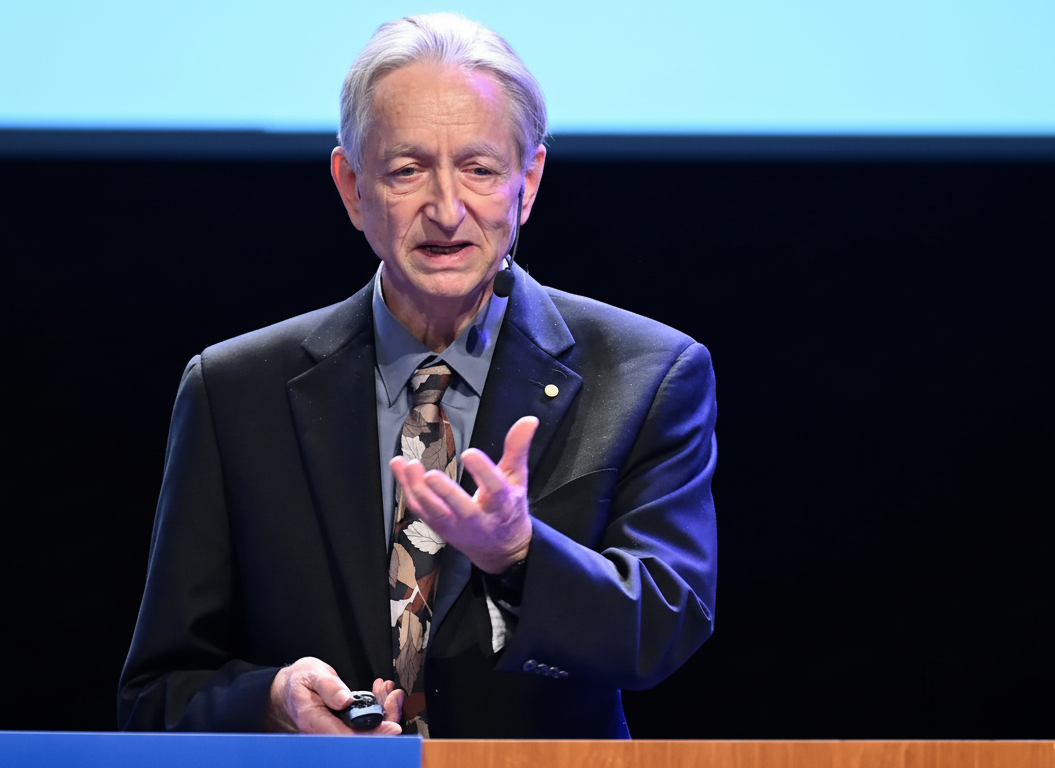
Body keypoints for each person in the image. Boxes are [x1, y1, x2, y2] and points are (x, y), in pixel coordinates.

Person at [118, 12, 718, 739]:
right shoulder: (234, 390)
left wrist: (519, 554)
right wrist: (273, 702)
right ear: (351, 185)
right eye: (407, 169)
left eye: (479, 168)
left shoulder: (646, 374)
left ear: (527, 183)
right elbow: (157, 694)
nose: (445, 208)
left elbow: (663, 627)